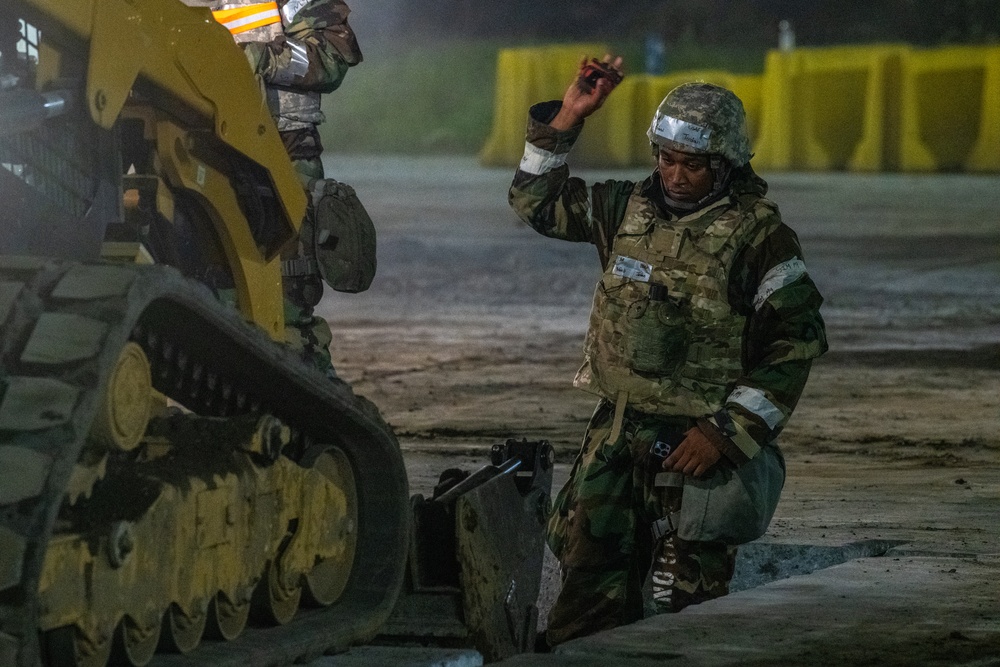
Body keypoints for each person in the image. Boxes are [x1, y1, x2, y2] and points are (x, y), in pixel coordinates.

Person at [507, 56, 828, 646]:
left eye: (693, 165)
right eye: (666, 159)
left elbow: (794, 344)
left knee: (686, 614)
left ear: (726, 165)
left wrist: (726, 433)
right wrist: (568, 117)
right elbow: (536, 203)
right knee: (584, 602)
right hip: (617, 438)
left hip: (698, 450)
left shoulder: (760, 239)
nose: (676, 176)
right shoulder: (622, 209)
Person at [204, 0, 364, 378]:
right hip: (200, 149)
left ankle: (315, 412)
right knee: (214, 294)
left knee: (285, 297)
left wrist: (253, 58)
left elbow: (331, 56)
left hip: (283, 153)